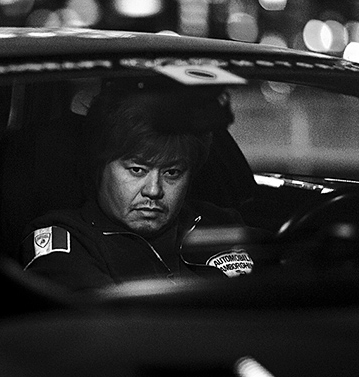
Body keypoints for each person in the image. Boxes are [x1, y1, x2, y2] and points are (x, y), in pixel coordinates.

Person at [19, 83, 250, 291]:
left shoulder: (220, 224)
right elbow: (98, 319)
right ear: (99, 166)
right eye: (137, 170)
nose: (153, 190)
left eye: (172, 173)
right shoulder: (67, 239)